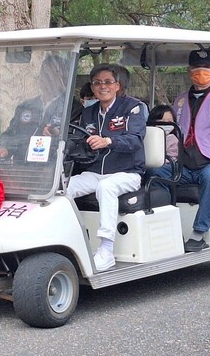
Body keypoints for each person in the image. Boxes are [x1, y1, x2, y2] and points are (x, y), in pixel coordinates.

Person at [144, 48, 210, 252]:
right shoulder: (180, 100)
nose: (201, 74)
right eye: (197, 69)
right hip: (185, 164)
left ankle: (199, 232)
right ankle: (170, 224)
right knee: (154, 173)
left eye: (206, 69)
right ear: (190, 71)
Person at [67, 63, 146, 271]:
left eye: (108, 82)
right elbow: (80, 140)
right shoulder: (89, 112)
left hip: (128, 172)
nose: (103, 86)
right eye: (97, 83)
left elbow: (136, 140)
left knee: (107, 187)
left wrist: (108, 141)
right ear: (92, 87)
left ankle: (106, 250)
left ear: (117, 85)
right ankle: (68, 242)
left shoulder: (132, 108)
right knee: (64, 187)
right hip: (95, 172)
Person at [0, 54, 69, 162]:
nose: (48, 79)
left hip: (52, 170)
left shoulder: (70, 107)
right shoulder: (27, 106)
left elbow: (72, 141)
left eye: (53, 75)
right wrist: (4, 147)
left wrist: (56, 135)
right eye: (45, 73)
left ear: (62, 78)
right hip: (23, 168)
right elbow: (12, 133)